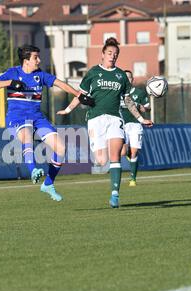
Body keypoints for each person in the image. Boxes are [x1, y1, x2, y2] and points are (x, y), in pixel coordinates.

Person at [0, 44, 93, 201]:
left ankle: (48, 184)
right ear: (26, 60)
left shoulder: (41, 75)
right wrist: (10, 83)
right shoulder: (13, 72)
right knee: (27, 134)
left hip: (37, 118)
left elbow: (60, 84)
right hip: (17, 118)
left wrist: (78, 94)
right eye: (35, 57)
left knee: (61, 148)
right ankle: (33, 170)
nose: (39, 60)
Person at [58, 38, 153, 208]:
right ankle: (111, 177)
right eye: (110, 53)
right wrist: (67, 110)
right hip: (95, 119)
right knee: (102, 161)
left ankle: (115, 195)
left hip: (115, 118)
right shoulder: (93, 72)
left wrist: (140, 119)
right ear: (102, 54)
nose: (113, 56)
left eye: (115, 54)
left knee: (116, 156)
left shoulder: (121, 76)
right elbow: (81, 94)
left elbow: (128, 101)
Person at [120, 70, 151, 187]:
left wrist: (141, 107)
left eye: (129, 77)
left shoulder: (140, 93)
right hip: (121, 125)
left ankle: (132, 179)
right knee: (123, 152)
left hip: (135, 125)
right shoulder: (117, 93)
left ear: (132, 80)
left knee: (135, 152)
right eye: (125, 77)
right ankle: (128, 153)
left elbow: (148, 108)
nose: (127, 79)